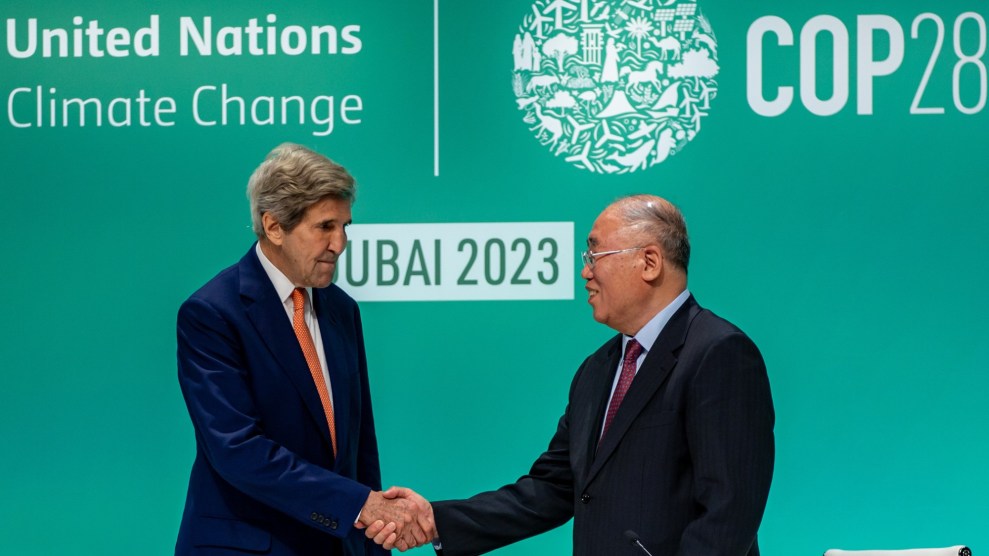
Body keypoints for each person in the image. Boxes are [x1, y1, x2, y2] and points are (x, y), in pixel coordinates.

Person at [366, 194, 775, 555]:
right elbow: (551, 489)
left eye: (595, 256)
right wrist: (436, 520)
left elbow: (729, 512)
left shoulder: (718, 353)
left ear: (649, 262)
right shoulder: (597, 370)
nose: (585, 272)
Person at [175, 143, 432, 556]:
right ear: (274, 226)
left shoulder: (341, 309)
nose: (340, 243)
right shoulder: (212, 313)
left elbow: (359, 449)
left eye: (346, 226)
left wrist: (373, 533)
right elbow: (238, 450)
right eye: (325, 227)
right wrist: (359, 505)